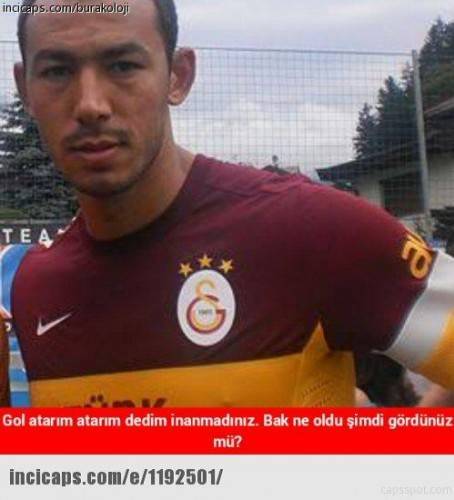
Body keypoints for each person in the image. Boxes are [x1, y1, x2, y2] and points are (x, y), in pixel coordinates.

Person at [1, 0, 454, 408]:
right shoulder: (32, 285)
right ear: (25, 87)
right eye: (57, 71)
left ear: (178, 76)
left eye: (122, 65)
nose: (90, 104)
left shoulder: (311, 230)